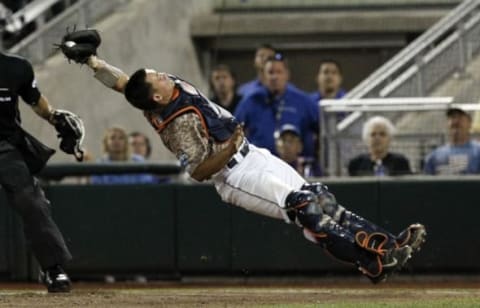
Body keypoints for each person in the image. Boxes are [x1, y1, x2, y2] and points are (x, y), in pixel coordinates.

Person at [60, 29, 427, 283]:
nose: (161, 74)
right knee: (305, 208)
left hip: (254, 154)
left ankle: (388, 245)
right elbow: (199, 172)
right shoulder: (175, 123)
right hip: (234, 176)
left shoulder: (155, 91)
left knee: (320, 197)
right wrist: (231, 144)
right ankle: (370, 262)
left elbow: (124, 83)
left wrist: (93, 62)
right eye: (157, 78)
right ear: (157, 96)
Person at [0, 51, 75, 292]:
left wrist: (56, 119)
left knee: (31, 202)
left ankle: (53, 269)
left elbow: (35, 99)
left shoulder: (16, 67)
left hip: (4, 146)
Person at [234, 53, 319, 159]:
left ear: (287, 75)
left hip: (295, 168)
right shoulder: (251, 101)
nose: (275, 77)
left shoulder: (303, 101)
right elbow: (234, 133)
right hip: (260, 166)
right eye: (270, 72)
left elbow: (322, 131)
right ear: (263, 76)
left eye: (279, 72)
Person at [90, 126, 158, 184]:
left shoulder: (138, 161)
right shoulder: (100, 164)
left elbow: (146, 184)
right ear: (106, 142)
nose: (116, 141)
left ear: (126, 142)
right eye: (112, 138)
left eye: (121, 138)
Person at [424, 107, 480, 175]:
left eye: (460, 117)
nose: (455, 121)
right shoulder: (434, 156)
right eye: (452, 117)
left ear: (470, 123)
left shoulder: (477, 151)